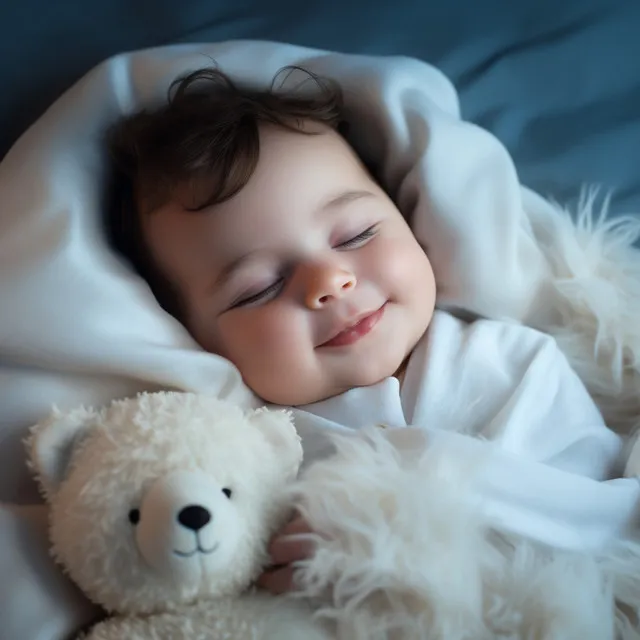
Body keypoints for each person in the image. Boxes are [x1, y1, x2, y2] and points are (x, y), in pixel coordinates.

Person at [107, 66, 625, 595]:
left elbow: (607, 520)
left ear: (407, 220)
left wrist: (418, 494)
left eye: (357, 234)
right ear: (196, 340)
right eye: (259, 288)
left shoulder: (510, 362)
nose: (329, 280)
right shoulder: (252, 455)